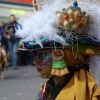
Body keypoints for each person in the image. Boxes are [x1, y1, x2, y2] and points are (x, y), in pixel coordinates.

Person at [16, 0, 100, 100]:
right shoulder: (47, 90)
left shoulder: (89, 94)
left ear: (61, 55)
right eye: (35, 54)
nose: (34, 61)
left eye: (42, 54)